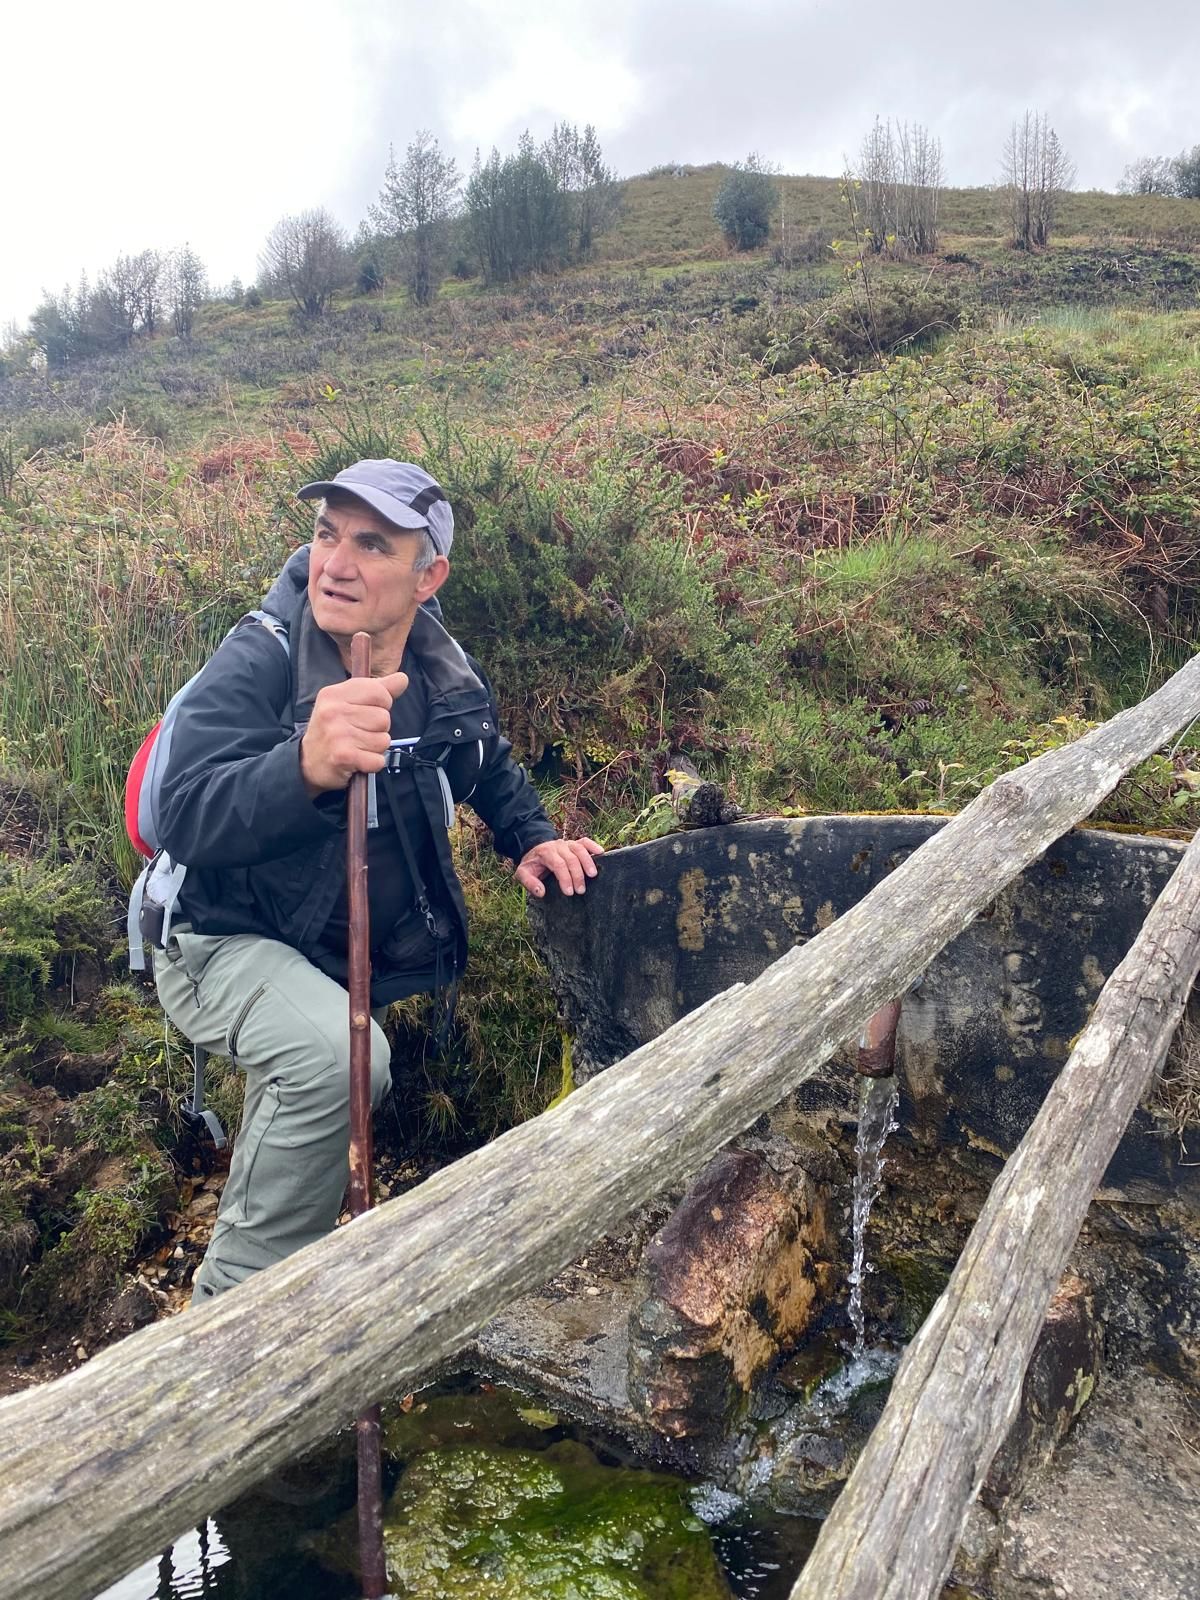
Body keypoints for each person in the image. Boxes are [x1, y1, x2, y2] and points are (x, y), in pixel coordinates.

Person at [151, 459, 603, 1301]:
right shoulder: (263, 656)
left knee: (339, 1058)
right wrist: (303, 768)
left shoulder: (436, 671)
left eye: (372, 543)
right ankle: (235, 1320)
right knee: (333, 1059)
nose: (336, 562)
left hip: (322, 944)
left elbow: (482, 759)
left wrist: (529, 840)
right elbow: (181, 813)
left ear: (429, 576)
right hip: (216, 936)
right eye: (326, 534)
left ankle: (304, 1238)